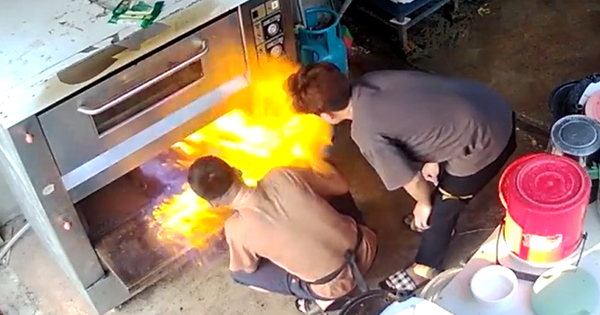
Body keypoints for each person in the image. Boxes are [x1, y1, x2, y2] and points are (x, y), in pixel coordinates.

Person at [285, 62, 516, 295]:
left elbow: (413, 180)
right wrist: (434, 159)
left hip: (490, 139)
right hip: (491, 104)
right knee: (433, 181)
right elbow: (426, 107)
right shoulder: (375, 78)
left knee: (441, 208)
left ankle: (425, 267)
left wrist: (424, 204)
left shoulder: (366, 132)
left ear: (327, 116)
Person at [187, 156, 378, 314]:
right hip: (368, 247)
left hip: (335, 287)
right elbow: (340, 187)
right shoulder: (281, 175)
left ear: (213, 204)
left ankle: (320, 299)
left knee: (239, 275)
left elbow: (247, 268)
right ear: (237, 171)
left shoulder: (236, 229)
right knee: (319, 186)